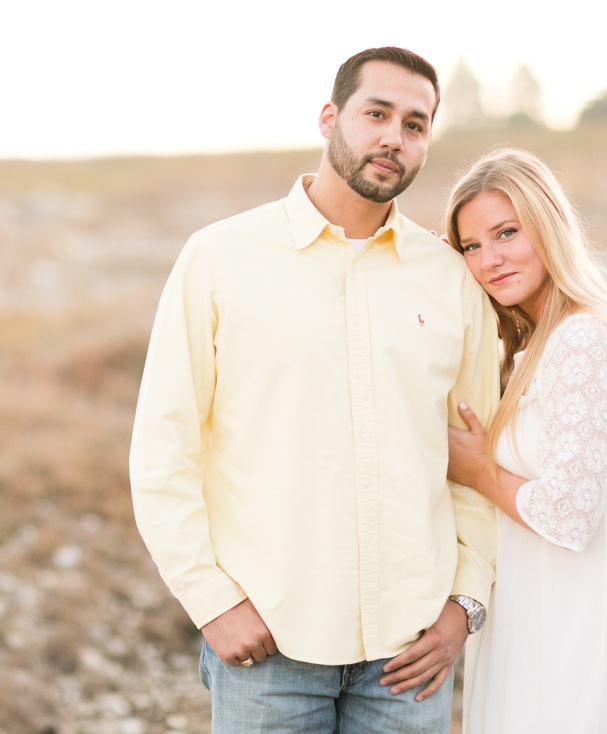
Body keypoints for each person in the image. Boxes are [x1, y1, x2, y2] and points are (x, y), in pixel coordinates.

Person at [129, 47, 500, 732]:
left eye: (415, 125)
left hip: (409, 654)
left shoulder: (450, 281)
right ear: (330, 117)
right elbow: (162, 450)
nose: (394, 136)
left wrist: (464, 606)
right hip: (269, 646)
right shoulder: (220, 259)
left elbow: (476, 462)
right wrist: (211, 601)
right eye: (377, 113)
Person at [443, 147, 607, 733]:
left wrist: (478, 469)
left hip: (583, 630)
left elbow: (568, 515)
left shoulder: (583, 337)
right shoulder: (532, 344)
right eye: (470, 246)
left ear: (547, 223)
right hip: (547, 616)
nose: (489, 259)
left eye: (506, 232)